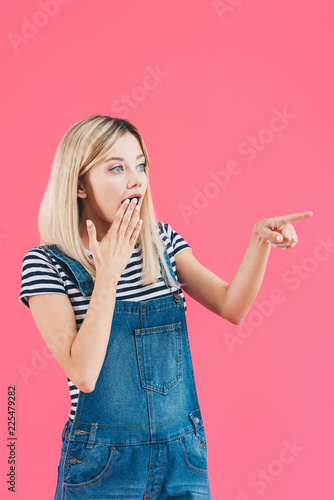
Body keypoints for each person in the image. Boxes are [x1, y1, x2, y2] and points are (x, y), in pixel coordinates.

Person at [19, 115, 313, 499]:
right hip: (101, 464)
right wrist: (107, 276)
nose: (136, 178)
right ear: (78, 185)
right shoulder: (46, 264)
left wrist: (260, 240)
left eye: (140, 165)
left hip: (182, 454)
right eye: (116, 168)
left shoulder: (161, 241)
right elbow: (84, 373)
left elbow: (231, 306)